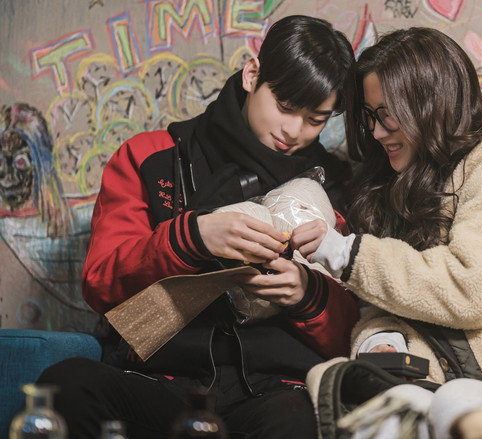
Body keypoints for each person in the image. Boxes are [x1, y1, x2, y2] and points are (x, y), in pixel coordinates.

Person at [37, 15, 359, 439]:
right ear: (252, 74)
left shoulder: (335, 188)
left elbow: (359, 328)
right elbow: (101, 283)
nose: (293, 130)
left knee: (306, 420)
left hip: (278, 391)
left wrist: (307, 294)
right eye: (284, 106)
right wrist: (191, 238)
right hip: (163, 382)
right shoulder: (149, 157)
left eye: (315, 119)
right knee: (68, 386)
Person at [292, 27, 482, 438]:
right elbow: (386, 303)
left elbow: (474, 289)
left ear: (431, 104)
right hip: (436, 372)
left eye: (388, 114)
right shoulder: (385, 188)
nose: (377, 132)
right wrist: (382, 341)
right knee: (371, 397)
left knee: (458, 399)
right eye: (370, 116)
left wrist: (347, 254)